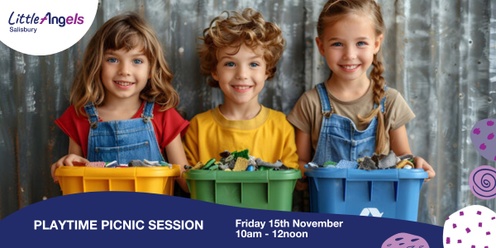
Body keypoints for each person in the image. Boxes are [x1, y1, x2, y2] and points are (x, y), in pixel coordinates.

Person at [288, 0, 435, 181]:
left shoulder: (391, 101)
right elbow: (299, 163)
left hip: (379, 206)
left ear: (376, 43)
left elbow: (404, 160)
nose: (349, 54)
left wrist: (416, 164)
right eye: (337, 44)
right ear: (321, 46)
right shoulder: (311, 103)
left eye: (361, 43)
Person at [50, 12, 190, 192]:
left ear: (151, 70)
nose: (125, 70)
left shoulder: (164, 115)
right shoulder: (79, 116)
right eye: (113, 59)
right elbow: (75, 185)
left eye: (137, 61)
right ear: (97, 64)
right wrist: (66, 167)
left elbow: (186, 183)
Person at [183, 8, 299, 171]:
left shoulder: (281, 126)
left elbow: (290, 179)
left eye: (253, 64)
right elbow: (189, 181)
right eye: (230, 64)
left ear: (267, 71)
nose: (242, 74)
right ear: (215, 71)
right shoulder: (199, 127)